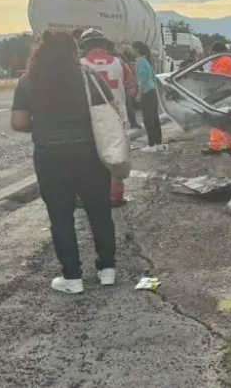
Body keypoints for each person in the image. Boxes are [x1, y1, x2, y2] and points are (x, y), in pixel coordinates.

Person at [10, 30, 117, 294]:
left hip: (50, 157)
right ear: (74, 51)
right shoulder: (89, 77)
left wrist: (44, 125)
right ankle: (107, 270)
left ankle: (72, 277)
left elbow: (19, 122)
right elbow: (110, 110)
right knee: (100, 211)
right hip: (90, 153)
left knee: (60, 217)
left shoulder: (28, 81)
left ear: (40, 52)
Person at [79, 29, 130, 207]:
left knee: (91, 157)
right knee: (116, 155)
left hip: (92, 120)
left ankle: (92, 196)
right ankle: (116, 196)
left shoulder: (80, 64)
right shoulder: (119, 62)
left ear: (84, 46)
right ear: (104, 44)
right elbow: (132, 87)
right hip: (117, 117)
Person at [202, 41, 231, 160]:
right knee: (227, 121)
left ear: (216, 51)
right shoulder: (226, 59)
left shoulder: (223, 60)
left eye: (212, 52)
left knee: (216, 119)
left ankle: (215, 146)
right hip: (228, 93)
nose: (211, 54)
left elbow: (218, 78)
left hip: (223, 93)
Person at [132, 41, 165, 153]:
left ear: (137, 50)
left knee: (147, 119)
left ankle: (151, 144)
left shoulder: (141, 62)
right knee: (154, 119)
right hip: (152, 92)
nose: (132, 51)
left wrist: (139, 94)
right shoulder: (147, 61)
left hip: (147, 93)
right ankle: (158, 143)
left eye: (133, 49)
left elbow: (143, 80)